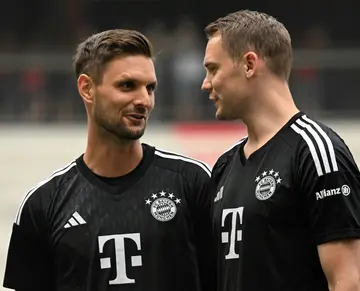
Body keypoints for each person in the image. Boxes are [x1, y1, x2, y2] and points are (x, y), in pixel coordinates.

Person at [3, 29, 215, 291]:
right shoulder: (43, 205)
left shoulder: (192, 182)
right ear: (87, 88)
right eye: (127, 85)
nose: (144, 100)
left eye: (150, 88)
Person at [201, 10, 360, 291]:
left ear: (249, 64)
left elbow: (347, 280)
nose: (206, 84)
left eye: (213, 69)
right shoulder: (225, 165)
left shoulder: (316, 151)